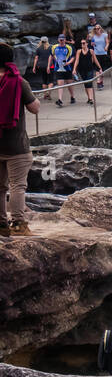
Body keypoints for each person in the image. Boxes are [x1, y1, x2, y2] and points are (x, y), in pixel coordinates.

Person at [0, 44, 39, 238]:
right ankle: (18, 223)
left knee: (0, 187)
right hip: (16, 145)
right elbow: (34, 108)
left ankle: (1, 224)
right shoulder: (18, 82)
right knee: (17, 186)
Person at [72, 38, 100, 105]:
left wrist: (99, 67)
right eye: (81, 43)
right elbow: (77, 60)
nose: (82, 44)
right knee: (86, 85)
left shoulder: (91, 51)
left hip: (90, 69)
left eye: (84, 43)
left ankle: (91, 99)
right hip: (82, 70)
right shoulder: (79, 51)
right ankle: (89, 98)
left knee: (89, 84)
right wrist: (74, 69)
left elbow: (95, 59)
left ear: (87, 43)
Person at [50, 35, 75, 105]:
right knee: (60, 84)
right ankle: (60, 100)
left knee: (69, 84)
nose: (61, 41)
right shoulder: (54, 47)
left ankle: (72, 96)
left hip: (68, 68)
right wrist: (49, 65)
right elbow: (52, 56)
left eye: (62, 40)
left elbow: (73, 57)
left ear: (65, 40)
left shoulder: (69, 47)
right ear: (58, 40)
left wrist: (68, 63)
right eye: (60, 40)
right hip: (58, 68)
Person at [88, 23, 108, 89]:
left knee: (102, 69)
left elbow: (107, 42)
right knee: (97, 69)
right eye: (95, 29)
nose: (97, 30)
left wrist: (106, 47)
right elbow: (92, 44)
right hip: (96, 54)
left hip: (103, 53)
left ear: (100, 29)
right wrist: (92, 44)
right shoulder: (93, 36)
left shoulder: (104, 35)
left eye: (98, 28)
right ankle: (98, 82)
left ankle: (101, 81)